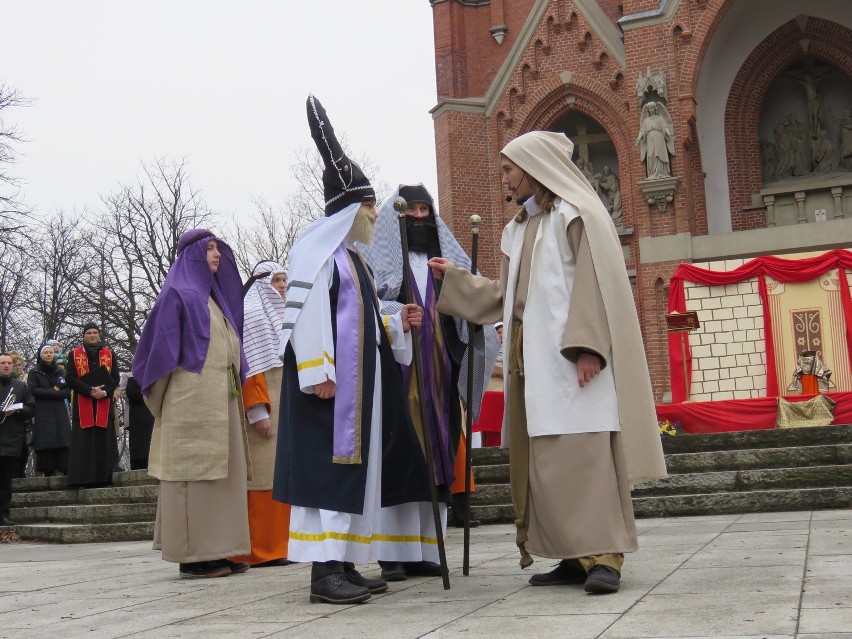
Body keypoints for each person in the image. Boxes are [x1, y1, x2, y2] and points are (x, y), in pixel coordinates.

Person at [428, 130, 667, 594]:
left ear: (534, 169)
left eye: (509, 170)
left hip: (574, 359)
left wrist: (587, 347)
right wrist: (453, 281)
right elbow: (504, 297)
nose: (504, 180)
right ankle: (572, 556)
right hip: (532, 362)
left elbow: (592, 281)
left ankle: (605, 557)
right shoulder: (517, 229)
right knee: (547, 462)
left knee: (587, 457)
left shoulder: (576, 216)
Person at [273, 96, 430, 605]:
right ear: (347, 209)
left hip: (354, 392)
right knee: (327, 475)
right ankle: (324, 574)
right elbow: (309, 315)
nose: (372, 214)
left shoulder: (352, 260)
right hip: (329, 390)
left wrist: (396, 321)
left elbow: (362, 316)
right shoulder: (316, 254)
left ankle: (342, 562)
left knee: (348, 477)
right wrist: (318, 368)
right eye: (367, 205)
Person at [360, 183, 502, 580]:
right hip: (397, 377)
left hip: (438, 376)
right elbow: (365, 305)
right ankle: (392, 554)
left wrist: (457, 285)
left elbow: (474, 311)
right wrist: (395, 314)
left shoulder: (446, 263)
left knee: (437, 457)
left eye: (425, 210)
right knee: (400, 455)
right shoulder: (374, 260)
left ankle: (427, 547)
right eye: (412, 212)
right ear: (397, 220)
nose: (420, 217)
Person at [132, 228, 251, 580]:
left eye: (218, 248)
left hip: (221, 398)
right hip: (190, 400)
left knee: (222, 474)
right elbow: (156, 357)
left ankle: (219, 548)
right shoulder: (177, 295)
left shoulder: (215, 300)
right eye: (209, 248)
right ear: (192, 254)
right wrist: (164, 405)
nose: (216, 254)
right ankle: (193, 555)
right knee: (193, 473)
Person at [230, 261, 292, 567]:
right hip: (264, 406)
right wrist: (257, 410)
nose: (282, 285)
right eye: (276, 280)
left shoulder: (282, 316)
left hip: (283, 401)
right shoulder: (252, 315)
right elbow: (249, 368)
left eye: (284, 279)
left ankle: (280, 545)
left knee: (279, 475)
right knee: (263, 476)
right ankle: (262, 549)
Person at [65, 324, 120, 488]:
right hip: (83, 405)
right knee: (84, 442)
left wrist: (104, 393)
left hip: (104, 403)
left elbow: (115, 378)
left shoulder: (109, 354)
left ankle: (104, 478)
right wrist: (89, 390)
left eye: (95, 332)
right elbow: (70, 378)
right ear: (83, 336)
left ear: (99, 335)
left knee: (103, 441)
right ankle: (81, 479)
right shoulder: (74, 354)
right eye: (88, 333)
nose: (92, 335)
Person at [0, 352, 35, 525]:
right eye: (2, 363)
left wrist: (18, 411)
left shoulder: (20, 387)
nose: (6, 366)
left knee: (6, 481)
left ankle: (3, 515)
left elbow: (31, 409)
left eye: (8, 363)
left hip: (12, 439)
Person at [27, 345, 71, 477]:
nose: (48, 355)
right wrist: (53, 391)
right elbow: (34, 391)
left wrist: (50, 393)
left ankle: (65, 467)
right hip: (43, 410)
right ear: (40, 355)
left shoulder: (61, 372)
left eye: (51, 352)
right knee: (46, 438)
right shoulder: (34, 372)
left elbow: (66, 391)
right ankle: (48, 469)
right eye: (45, 352)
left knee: (63, 438)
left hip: (59, 410)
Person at [636, 102, 675, 178]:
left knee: (660, 153)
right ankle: (652, 173)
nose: (651, 110)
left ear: (655, 108)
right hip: (650, 139)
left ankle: (662, 172)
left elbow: (665, 126)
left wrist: (668, 132)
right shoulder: (646, 120)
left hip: (659, 138)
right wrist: (639, 138)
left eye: (652, 108)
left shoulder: (660, 118)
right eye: (649, 108)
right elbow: (642, 130)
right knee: (651, 155)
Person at [123, 375, 154, 470]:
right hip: (137, 418)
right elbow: (130, 393)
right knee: (138, 444)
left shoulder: (155, 378)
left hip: (152, 415)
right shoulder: (132, 379)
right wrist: (147, 394)